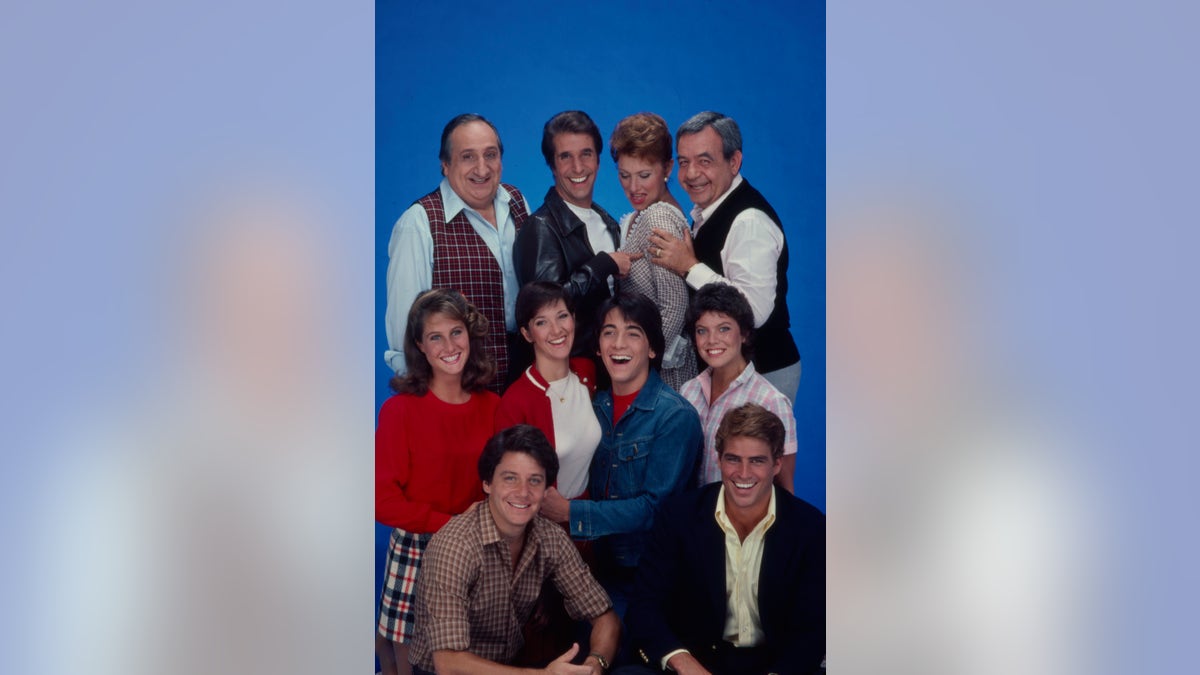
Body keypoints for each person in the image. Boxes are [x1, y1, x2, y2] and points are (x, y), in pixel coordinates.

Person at [618, 403, 825, 675]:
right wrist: (682, 662)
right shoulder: (679, 515)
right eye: (733, 459)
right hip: (696, 660)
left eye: (757, 461)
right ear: (718, 459)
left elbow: (813, 628)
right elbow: (645, 606)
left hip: (774, 665)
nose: (743, 473)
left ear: (777, 464)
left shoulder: (810, 527)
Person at [539, 291, 703, 620]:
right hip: (596, 566)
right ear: (598, 348)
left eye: (633, 333)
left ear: (653, 348)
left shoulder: (674, 416)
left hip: (651, 575)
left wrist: (570, 512)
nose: (619, 344)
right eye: (609, 332)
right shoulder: (593, 408)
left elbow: (654, 509)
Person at [410, 425, 621, 675]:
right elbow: (448, 664)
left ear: (545, 490)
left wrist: (594, 664)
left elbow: (606, 618)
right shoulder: (456, 546)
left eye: (535, 480)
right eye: (510, 478)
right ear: (487, 483)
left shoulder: (549, 537)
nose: (523, 492)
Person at [375, 289, 503, 675]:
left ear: (470, 336)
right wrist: (447, 525)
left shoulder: (493, 407)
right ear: (420, 346)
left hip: (476, 548)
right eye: (435, 337)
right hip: (418, 546)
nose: (449, 346)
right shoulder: (400, 411)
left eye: (456, 332)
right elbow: (382, 501)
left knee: (466, 655)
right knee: (410, 662)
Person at [647, 111, 802, 402]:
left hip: (763, 372)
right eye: (683, 162)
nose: (691, 174)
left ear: (734, 162)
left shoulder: (749, 221)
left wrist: (689, 267)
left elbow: (753, 312)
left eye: (705, 161)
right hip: (727, 372)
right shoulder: (709, 209)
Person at [385, 113, 529, 392]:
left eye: (491, 154)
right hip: (460, 388)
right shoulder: (419, 223)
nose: (482, 168)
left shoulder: (517, 202)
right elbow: (404, 332)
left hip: (523, 380)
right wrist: (425, 399)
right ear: (445, 165)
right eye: (468, 157)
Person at [515, 110, 641, 374]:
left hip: (610, 372)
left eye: (586, 154)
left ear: (597, 160)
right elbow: (544, 313)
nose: (578, 167)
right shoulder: (540, 228)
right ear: (552, 166)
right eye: (565, 157)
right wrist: (601, 265)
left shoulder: (606, 220)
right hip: (568, 377)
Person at [680, 283, 797, 492]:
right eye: (702, 331)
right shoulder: (688, 391)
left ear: (744, 334)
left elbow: (785, 489)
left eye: (724, 328)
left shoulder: (771, 402)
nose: (712, 340)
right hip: (693, 516)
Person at [610, 112, 697, 391]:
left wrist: (639, 362)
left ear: (667, 168)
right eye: (625, 175)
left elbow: (674, 306)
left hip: (663, 376)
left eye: (644, 175)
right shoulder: (641, 214)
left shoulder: (658, 217)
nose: (633, 187)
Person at [496, 281, 601, 500]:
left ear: (574, 318)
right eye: (542, 322)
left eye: (562, 316)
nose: (556, 330)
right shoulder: (515, 402)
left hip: (587, 520)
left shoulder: (586, 372)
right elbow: (508, 485)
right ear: (527, 333)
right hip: (543, 526)